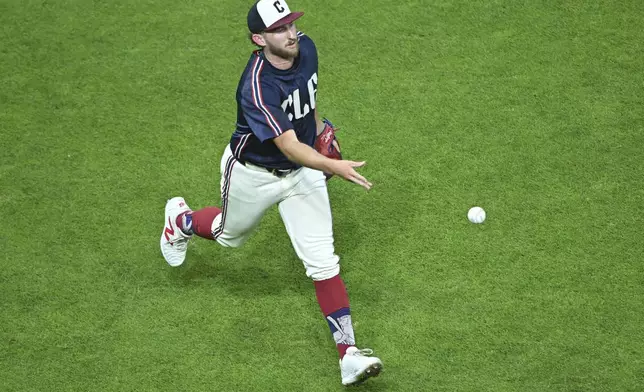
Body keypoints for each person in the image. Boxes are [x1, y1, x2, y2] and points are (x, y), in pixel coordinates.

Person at [159, 0, 382, 385]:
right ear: (259, 39)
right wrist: (333, 165)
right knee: (230, 236)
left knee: (323, 261)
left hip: (303, 171)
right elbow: (288, 146)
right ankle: (181, 221)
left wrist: (321, 137)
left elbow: (308, 104)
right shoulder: (256, 85)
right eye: (279, 30)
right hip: (253, 174)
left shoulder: (307, 48)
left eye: (291, 24)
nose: (291, 34)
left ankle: (349, 355)